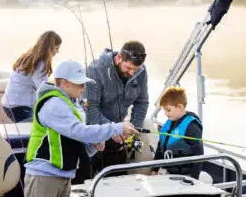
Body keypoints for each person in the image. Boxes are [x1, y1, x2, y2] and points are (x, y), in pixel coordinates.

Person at [24, 60, 138, 197]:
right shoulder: (54, 104)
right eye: (79, 83)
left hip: (63, 176)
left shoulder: (71, 104)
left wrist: (93, 144)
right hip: (44, 178)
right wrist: (117, 128)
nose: (83, 87)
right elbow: (79, 131)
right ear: (65, 83)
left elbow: (76, 136)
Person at [82, 40, 149, 178]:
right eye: (128, 68)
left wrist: (132, 129)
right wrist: (113, 130)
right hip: (94, 134)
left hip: (119, 136)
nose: (132, 73)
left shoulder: (141, 72)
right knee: (90, 180)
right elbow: (91, 109)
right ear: (118, 57)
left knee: (118, 179)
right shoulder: (95, 70)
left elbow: (142, 103)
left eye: (135, 70)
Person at [1, 30, 62, 122]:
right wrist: (64, 93)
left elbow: (40, 83)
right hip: (19, 108)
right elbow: (44, 89)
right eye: (56, 48)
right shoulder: (40, 64)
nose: (57, 52)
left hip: (8, 105)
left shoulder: (28, 58)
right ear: (49, 48)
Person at [150, 86, 204, 179]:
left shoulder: (191, 127)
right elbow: (160, 149)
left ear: (179, 107)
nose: (166, 114)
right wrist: (154, 169)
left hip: (187, 175)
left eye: (168, 110)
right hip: (169, 172)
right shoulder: (168, 125)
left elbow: (199, 155)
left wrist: (195, 179)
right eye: (164, 110)